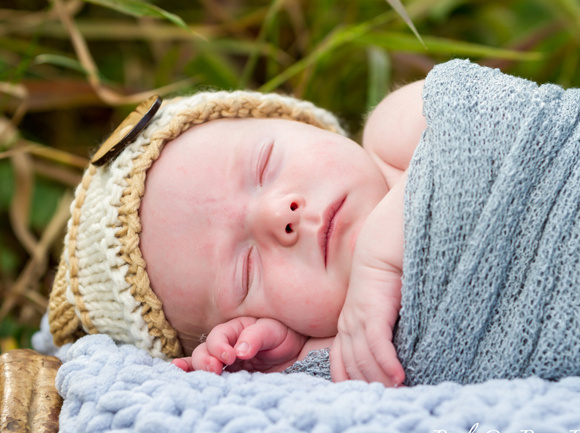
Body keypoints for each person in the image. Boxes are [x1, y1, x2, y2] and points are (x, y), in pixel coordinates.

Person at [47, 83, 426, 387]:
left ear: (303, 124)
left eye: (264, 167)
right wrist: (299, 356)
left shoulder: (399, 131)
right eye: (247, 271)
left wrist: (381, 258)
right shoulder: (355, 336)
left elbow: (480, 130)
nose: (278, 216)